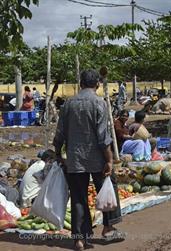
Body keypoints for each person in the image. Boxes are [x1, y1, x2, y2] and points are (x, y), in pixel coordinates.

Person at [54, 69, 123, 250]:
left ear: (81, 84)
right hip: (97, 158)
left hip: (75, 158)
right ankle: (108, 227)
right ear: (97, 85)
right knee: (108, 187)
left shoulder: (68, 104)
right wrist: (109, 160)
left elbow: (59, 133)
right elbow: (103, 137)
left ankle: (79, 238)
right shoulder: (99, 103)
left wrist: (57, 153)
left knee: (78, 197)